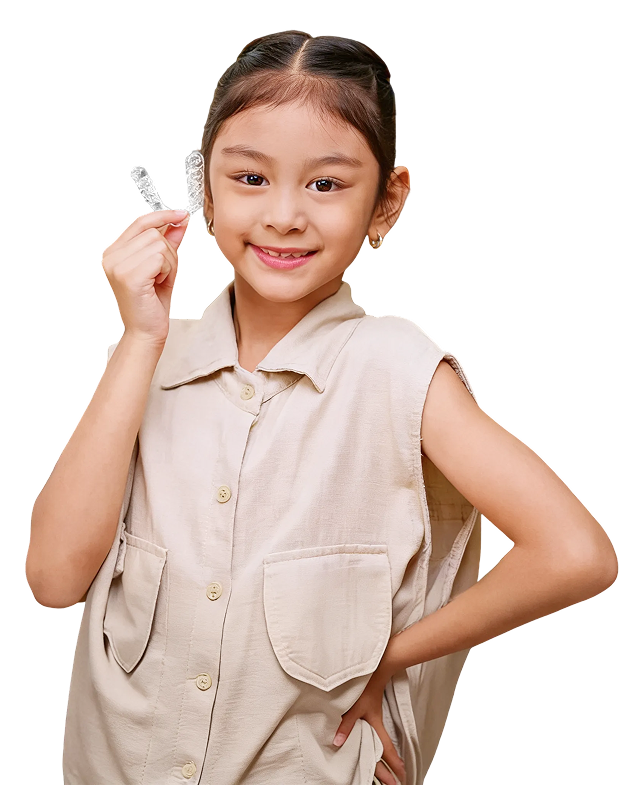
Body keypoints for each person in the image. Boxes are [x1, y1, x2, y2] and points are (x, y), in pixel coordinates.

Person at [26, 31, 618, 785]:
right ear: (203, 187)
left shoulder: (395, 367)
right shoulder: (141, 361)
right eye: (248, 177)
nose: (283, 216)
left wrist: (390, 657)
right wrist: (141, 340)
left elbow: (576, 554)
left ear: (388, 201)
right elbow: (52, 579)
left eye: (326, 185)